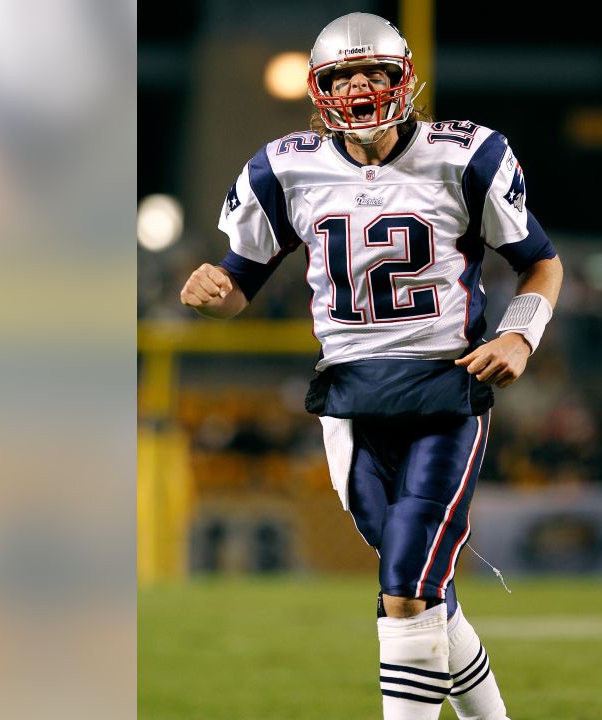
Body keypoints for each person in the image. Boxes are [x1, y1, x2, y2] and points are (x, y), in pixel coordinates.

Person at [180, 12, 563, 720]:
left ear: (403, 78)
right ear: (318, 88)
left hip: (450, 385)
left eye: (374, 74)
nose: (359, 89)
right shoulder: (284, 168)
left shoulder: (466, 155)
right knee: (421, 585)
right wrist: (212, 293)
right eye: (342, 77)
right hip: (350, 400)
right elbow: (238, 286)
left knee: (405, 586)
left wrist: (519, 336)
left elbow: (541, 264)